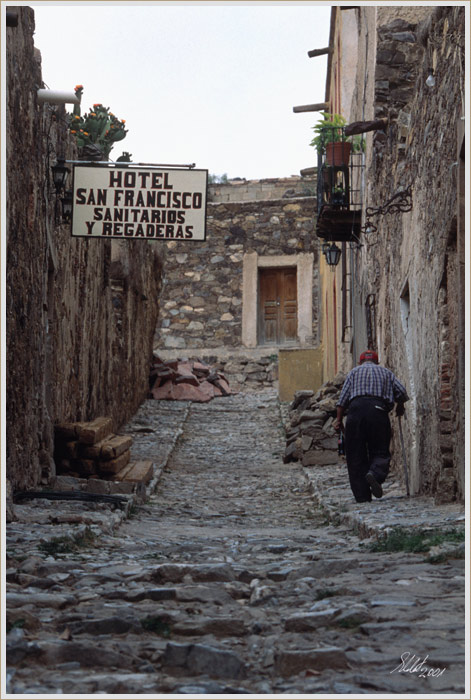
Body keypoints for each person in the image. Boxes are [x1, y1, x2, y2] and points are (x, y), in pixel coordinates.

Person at [333, 350, 409, 503]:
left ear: (360, 362)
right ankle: (375, 474)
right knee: (380, 451)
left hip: (355, 412)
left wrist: (339, 420)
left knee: (355, 455)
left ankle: (362, 497)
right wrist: (400, 405)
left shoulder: (353, 372)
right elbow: (402, 392)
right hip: (378, 411)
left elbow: (342, 399)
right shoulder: (386, 372)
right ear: (377, 361)